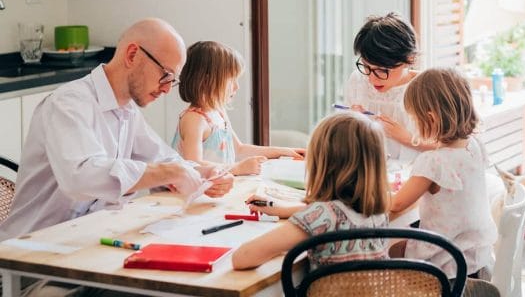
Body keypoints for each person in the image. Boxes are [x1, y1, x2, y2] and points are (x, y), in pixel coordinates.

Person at [0, 18, 234, 241]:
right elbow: (80, 177)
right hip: (31, 254)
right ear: (132, 55)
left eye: (172, 80)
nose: (166, 90)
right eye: (166, 75)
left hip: (83, 241)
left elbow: (165, 159)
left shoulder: (127, 111)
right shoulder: (68, 103)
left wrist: (206, 173)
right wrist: (168, 173)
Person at [232, 112, 390, 270]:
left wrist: (277, 248)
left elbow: (242, 258)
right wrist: (280, 209)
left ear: (321, 164)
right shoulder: (377, 209)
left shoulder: (321, 217)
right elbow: (336, 210)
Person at [390, 68, 497, 280]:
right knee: (399, 247)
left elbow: (396, 205)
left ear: (430, 118)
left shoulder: (432, 163)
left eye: (413, 118)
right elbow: (445, 154)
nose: (413, 124)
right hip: (475, 255)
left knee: (389, 250)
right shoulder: (473, 146)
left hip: (445, 261)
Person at [171, 41, 304, 175]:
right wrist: (238, 168)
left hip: (216, 189)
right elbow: (193, 164)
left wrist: (283, 151)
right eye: (231, 79)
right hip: (194, 193)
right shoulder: (194, 120)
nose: (236, 86)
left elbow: (239, 149)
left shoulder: (219, 112)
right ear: (207, 81)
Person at [343, 12, 432, 162]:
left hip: (414, 176)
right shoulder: (358, 81)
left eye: (381, 70)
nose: (371, 78)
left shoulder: (427, 88)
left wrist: (405, 137)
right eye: (366, 66)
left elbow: (451, 147)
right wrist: (351, 122)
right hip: (367, 170)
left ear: (409, 59)